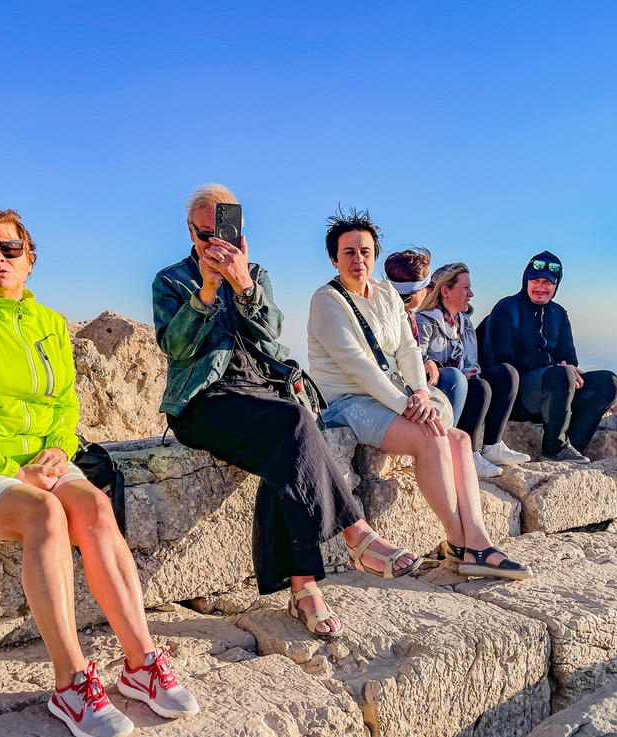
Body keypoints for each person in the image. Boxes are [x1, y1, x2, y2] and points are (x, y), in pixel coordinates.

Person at [0, 209, 199, 737]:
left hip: (39, 460)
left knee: (93, 508)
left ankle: (140, 664)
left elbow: (65, 404)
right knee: (43, 513)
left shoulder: (48, 322)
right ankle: (69, 682)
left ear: (30, 258)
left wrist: (58, 451)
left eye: (9, 249)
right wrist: (13, 469)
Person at [152, 185, 423, 642]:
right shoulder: (172, 280)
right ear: (190, 231)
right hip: (204, 402)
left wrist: (242, 286)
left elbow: (272, 331)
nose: (212, 242)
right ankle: (355, 533)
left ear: (238, 230)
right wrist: (207, 289)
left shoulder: (255, 274)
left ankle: (303, 589)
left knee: (288, 451)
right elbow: (176, 347)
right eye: (203, 233)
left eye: (222, 231)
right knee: (295, 425)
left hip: (261, 394)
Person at [308, 209, 531, 580]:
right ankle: (464, 544)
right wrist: (407, 406)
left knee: (458, 440)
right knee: (431, 438)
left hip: (395, 394)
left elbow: (409, 350)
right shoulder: (326, 301)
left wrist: (421, 395)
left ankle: (477, 539)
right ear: (334, 259)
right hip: (351, 402)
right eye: (348, 252)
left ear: (374, 255)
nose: (358, 259)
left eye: (365, 251)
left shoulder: (384, 294)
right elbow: (357, 366)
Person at [480, 251, 617, 463]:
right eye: (535, 280)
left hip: (556, 392)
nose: (541, 288)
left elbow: (569, 356)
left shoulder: (559, 313)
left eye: (548, 282)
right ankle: (554, 448)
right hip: (516, 396)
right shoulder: (507, 308)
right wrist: (554, 367)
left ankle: (572, 446)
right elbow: (501, 359)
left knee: (609, 382)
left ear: (556, 285)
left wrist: (566, 366)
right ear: (525, 279)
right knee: (561, 374)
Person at [416, 263, 529, 478]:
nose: (471, 294)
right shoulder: (426, 321)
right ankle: (467, 455)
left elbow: (470, 362)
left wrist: (469, 371)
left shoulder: (464, 323)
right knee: (479, 387)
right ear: (446, 291)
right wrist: (452, 370)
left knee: (506, 374)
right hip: (441, 389)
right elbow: (414, 359)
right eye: (465, 288)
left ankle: (492, 446)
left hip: (463, 381)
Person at [383, 248, 469, 430]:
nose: (431, 292)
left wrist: (425, 361)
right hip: (395, 387)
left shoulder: (407, 316)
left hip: (407, 383)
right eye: (428, 287)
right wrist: (424, 362)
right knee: (454, 379)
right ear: (414, 292)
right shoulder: (401, 319)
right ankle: (445, 440)